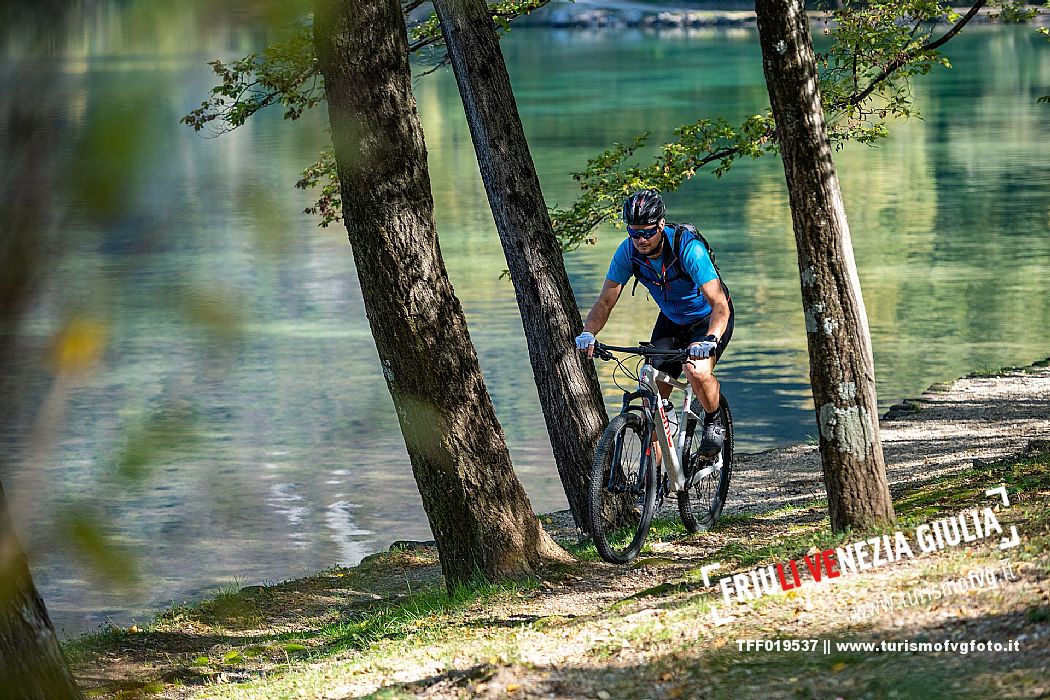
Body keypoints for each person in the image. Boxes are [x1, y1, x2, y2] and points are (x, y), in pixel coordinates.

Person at [575, 189, 734, 457]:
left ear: (661, 224)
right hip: (671, 321)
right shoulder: (628, 253)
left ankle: (714, 418)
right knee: (650, 397)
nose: (640, 239)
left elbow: (719, 304)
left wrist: (710, 340)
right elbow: (605, 301)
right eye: (634, 232)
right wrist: (587, 333)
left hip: (708, 319)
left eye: (647, 232)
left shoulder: (688, 248)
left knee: (695, 370)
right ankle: (656, 482)